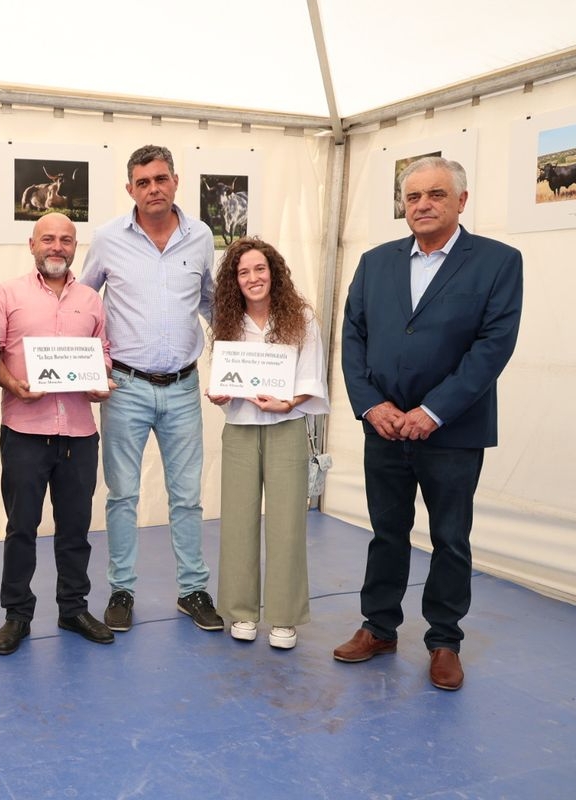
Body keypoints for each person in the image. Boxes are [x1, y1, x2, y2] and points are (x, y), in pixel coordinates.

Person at [335, 156, 523, 691]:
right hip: (385, 429)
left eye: (435, 194)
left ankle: (444, 641)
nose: (422, 205)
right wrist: (372, 406)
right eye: (413, 196)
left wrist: (433, 411)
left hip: (453, 432)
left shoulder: (497, 262)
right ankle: (379, 628)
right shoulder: (375, 262)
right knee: (386, 533)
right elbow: (354, 339)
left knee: (450, 537)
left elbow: (492, 347)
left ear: (461, 200)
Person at [80, 144, 224, 633]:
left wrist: (235, 363)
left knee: (187, 496)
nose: (153, 189)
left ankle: (193, 590)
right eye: (143, 182)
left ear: (175, 181)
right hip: (124, 387)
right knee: (122, 495)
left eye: (160, 179)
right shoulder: (106, 239)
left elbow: (212, 304)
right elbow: (85, 305)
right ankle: (121, 590)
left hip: (184, 386)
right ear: (130, 190)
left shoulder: (201, 237)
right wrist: (85, 370)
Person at [0, 213, 115, 655]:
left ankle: (73, 608)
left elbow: (102, 355)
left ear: (75, 246)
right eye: (48, 239)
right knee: (21, 527)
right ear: (31, 244)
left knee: (76, 529)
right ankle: (17, 615)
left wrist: (102, 383)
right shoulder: (7, 294)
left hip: (80, 432)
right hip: (25, 430)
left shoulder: (91, 301)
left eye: (65, 240)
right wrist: (13, 385)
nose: (56, 247)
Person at [206, 238, 329, 650]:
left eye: (259, 269)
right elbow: (223, 378)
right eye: (243, 272)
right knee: (238, 519)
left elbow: (313, 376)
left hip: (288, 427)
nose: (253, 278)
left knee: (287, 523)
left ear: (273, 272)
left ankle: (283, 618)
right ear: (233, 281)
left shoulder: (301, 318)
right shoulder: (226, 322)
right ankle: (240, 612)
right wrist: (221, 393)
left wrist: (288, 401)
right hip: (240, 428)